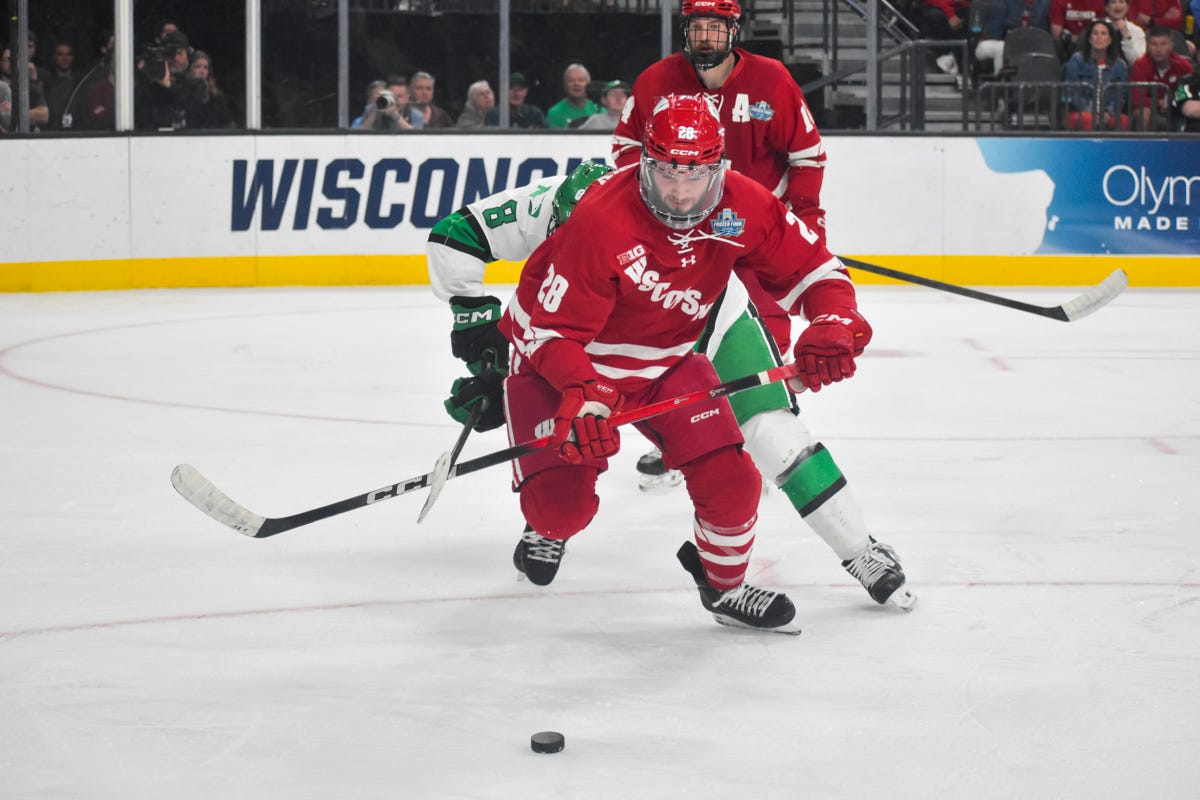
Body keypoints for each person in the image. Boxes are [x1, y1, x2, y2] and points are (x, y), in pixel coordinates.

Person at [428, 152, 916, 614]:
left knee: (770, 436)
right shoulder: (566, 210)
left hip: (692, 329)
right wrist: (482, 340)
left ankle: (856, 549)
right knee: (562, 501)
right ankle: (551, 522)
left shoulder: (712, 201)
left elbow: (811, 269)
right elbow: (459, 238)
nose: (680, 199)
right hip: (573, 355)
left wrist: (833, 320)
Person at [613, 0, 826, 358]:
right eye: (698, 28)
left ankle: (766, 396)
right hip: (680, 228)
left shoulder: (771, 80)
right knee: (673, 325)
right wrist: (659, 204)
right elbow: (628, 146)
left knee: (765, 327)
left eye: (716, 28)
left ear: (734, 31)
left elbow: (807, 156)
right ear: (685, 31)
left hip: (754, 227)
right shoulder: (656, 80)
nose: (706, 38)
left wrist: (803, 220)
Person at [1064, 19, 1131, 129]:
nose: (1099, 37)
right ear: (1090, 39)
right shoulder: (1077, 60)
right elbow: (1072, 91)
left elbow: (1121, 96)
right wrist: (1091, 112)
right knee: (1088, 120)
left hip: (1109, 112)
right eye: (1095, 33)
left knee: (1123, 121)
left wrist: (1108, 113)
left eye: (1103, 34)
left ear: (1110, 40)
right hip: (1082, 111)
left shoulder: (1120, 65)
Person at [1130, 26, 1196, 127]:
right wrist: (1159, 103)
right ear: (1148, 46)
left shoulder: (1183, 65)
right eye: (1154, 44)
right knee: (1143, 112)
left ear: (1171, 46)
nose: (1158, 49)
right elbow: (1137, 99)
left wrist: (1170, 102)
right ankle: (1143, 142)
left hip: (1176, 107)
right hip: (1151, 110)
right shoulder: (1140, 64)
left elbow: (1191, 94)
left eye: (1163, 44)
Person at [975, 0, 1052, 77]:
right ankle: (1001, 85)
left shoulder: (1044, 3)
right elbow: (994, 34)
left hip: (1025, 44)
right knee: (1001, 48)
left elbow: (1042, 34)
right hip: (993, 43)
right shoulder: (1002, 3)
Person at [0, 44, 50, 129]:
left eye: (15, 59)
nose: (12, 63)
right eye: (7, 59)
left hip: (23, 139)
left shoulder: (29, 88)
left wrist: (13, 114)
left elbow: (43, 115)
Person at [186, 50, 237, 129]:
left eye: (205, 68)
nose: (202, 71)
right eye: (197, 66)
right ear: (189, 69)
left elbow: (229, 123)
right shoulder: (181, 91)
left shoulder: (216, 96)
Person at [546, 63, 599, 128]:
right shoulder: (555, 113)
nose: (576, 84)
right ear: (565, 86)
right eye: (571, 80)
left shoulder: (599, 110)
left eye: (581, 80)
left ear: (588, 85)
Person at [42, 40, 79, 131]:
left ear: (73, 58)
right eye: (60, 54)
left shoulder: (79, 83)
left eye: (68, 54)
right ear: (54, 57)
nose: (65, 58)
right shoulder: (47, 84)